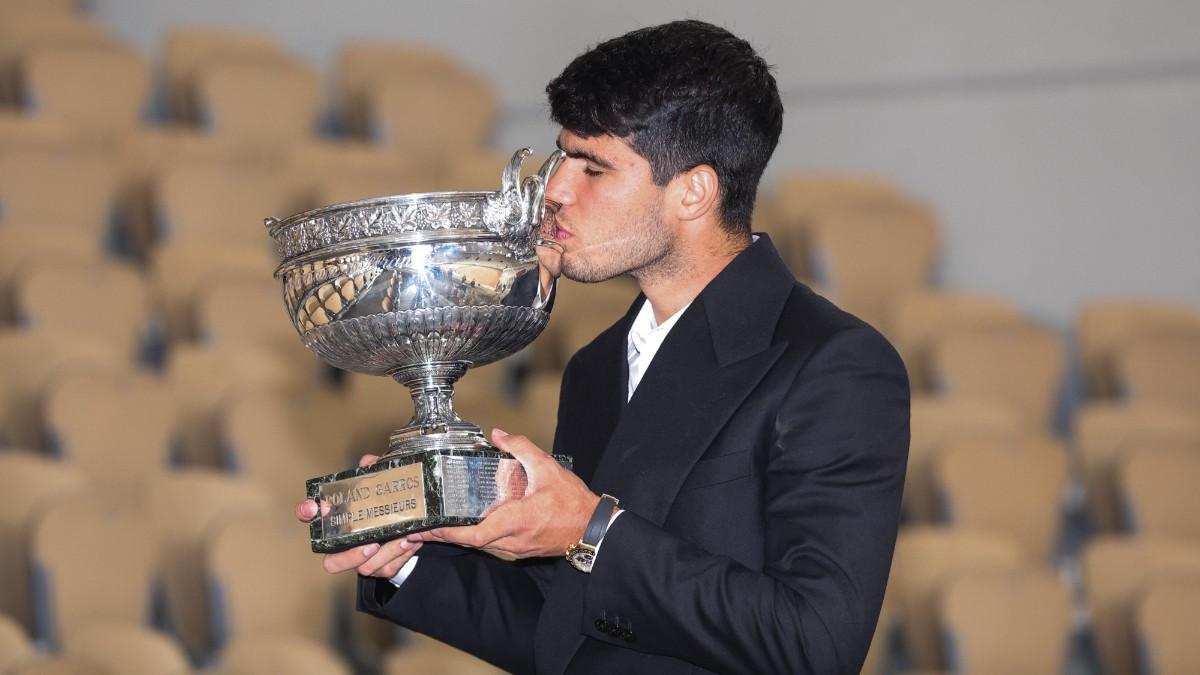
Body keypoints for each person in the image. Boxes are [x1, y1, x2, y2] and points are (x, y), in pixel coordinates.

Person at [296, 19, 909, 674]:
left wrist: (592, 531)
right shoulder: (595, 366)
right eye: (562, 157)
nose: (556, 189)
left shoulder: (834, 364)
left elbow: (816, 643)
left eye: (593, 167)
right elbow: (568, 634)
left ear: (693, 191)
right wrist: (408, 558)